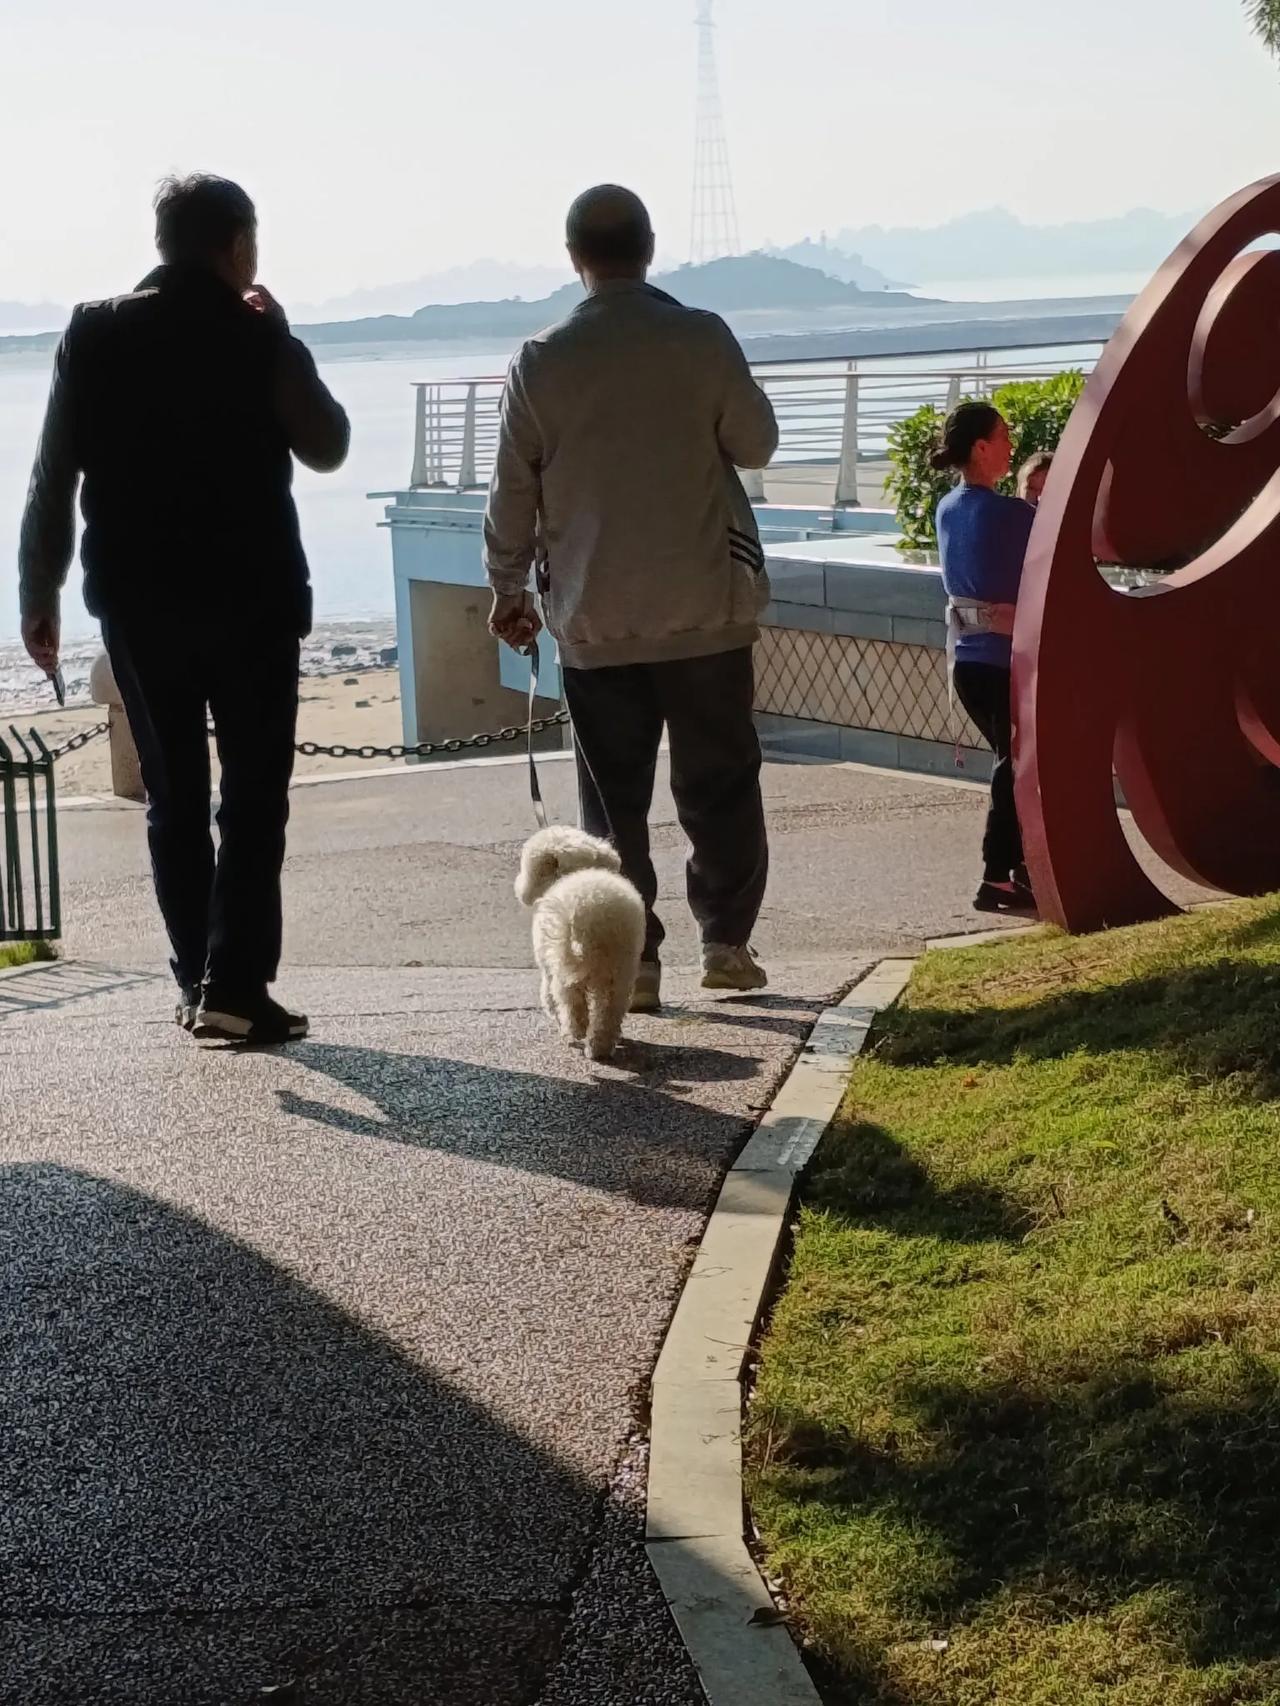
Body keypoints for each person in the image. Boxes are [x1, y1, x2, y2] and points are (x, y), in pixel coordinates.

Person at [19, 174, 350, 1044]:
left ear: (164, 242)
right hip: (255, 603)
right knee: (252, 799)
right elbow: (328, 444)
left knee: (173, 799)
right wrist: (284, 338)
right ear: (237, 245)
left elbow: (55, 475)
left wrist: (37, 593)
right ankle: (236, 984)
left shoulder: (94, 331)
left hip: (138, 603)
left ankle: (196, 983)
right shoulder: (253, 333)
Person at [483, 184, 779, 1012]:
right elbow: (755, 441)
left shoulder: (540, 360)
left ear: (574, 256)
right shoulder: (699, 338)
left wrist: (508, 589)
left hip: (593, 615)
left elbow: (512, 494)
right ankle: (726, 943)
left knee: (612, 799)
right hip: (705, 605)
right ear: (649, 247)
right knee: (719, 781)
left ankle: (635, 962)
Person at [934, 401, 1036, 915]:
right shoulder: (1008, 514)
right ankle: (998, 875)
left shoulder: (948, 507)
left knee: (1012, 760)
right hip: (1001, 661)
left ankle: (1018, 867)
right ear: (981, 447)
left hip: (966, 664)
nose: (1010, 445)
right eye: (1004, 436)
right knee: (1014, 762)